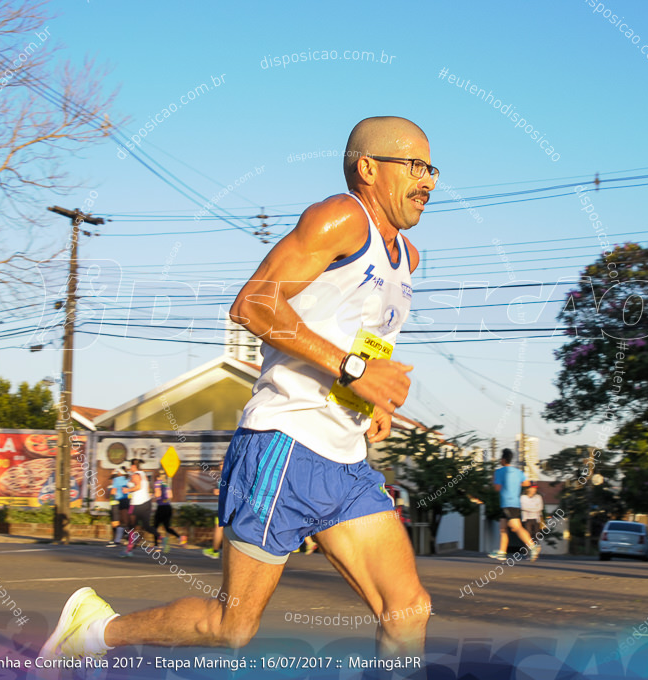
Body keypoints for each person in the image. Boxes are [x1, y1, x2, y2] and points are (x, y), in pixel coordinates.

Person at [43, 116, 434, 660]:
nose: (429, 181)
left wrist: (371, 396)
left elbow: (359, 331)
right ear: (368, 168)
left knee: (407, 608)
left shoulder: (408, 257)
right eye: (414, 166)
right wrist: (351, 370)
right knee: (232, 626)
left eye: (431, 168)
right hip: (285, 445)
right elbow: (253, 303)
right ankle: (93, 632)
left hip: (344, 459)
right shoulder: (341, 218)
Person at [488, 449, 537, 561]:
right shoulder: (518, 472)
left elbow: (497, 488)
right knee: (503, 528)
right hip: (514, 503)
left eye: (501, 458)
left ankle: (532, 546)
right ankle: (501, 552)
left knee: (516, 527)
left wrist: (493, 481)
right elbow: (527, 483)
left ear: (503, 459)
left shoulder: (499, 472)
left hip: (507, 502)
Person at [119, 459, 151, 558]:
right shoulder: (143, 475)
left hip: (136, 503)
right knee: (135, 525)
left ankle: (130, 547)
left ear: (133, 466)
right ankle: (133, 543)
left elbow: (138, 487)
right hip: (144, 503)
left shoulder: (136, 475)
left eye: (131, 466)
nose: (130, 468)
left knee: (129, 525)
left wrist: (127, 490)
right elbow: (147, 488)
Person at [152, 471, 183, 552]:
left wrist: (153, 496)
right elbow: (170, 496)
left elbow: (158, 495)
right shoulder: (166, 484)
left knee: (155, 527)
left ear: (157, 477)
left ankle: (156, 546)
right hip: (168, 507)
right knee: (167, 527)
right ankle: (179, 537)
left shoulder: (157, 483)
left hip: (161, 507)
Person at [106, 468, 130, 547]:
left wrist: (110, 493)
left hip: (116, 502)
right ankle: (120, 538)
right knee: (123, 521)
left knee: (116, 522)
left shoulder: (116, 480)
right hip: (126, 501)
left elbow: (113, 491)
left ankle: (117, 539)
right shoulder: (127, 479)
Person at [519, 482, 544, 558]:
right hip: (526, 519)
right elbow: (523, 507)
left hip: (536, 518)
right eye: (533, 488)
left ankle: (535, 553)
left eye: (535, 488)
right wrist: (534, 508)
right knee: (527, 535)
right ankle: (527, 553)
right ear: (528, 489)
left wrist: (530, 508)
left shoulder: (538, 497)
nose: (534, 490)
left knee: (536, 536)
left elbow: (540, 507)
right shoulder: (523, 497)